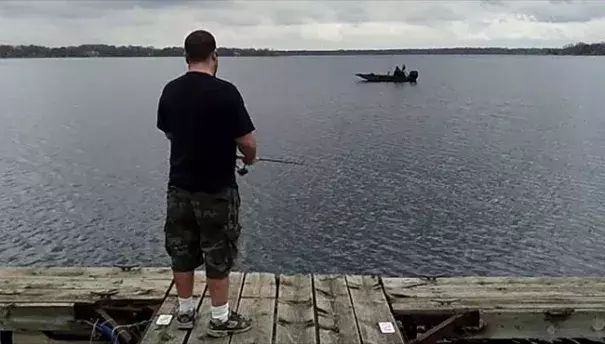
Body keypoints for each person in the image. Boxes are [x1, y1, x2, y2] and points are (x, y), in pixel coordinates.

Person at [156, 29, 256, 337]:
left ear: (186, 56)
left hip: (179, 187)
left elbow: (169, 132)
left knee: (181, 248)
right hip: (216, 190)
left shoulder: (170, 90)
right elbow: (247, 142)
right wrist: (249, 158)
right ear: (214, 55)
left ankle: (185, 313)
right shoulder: (226, 92)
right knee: (218, 250)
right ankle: (220, 318)